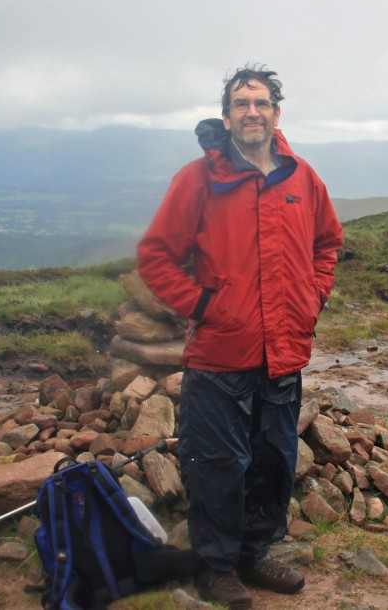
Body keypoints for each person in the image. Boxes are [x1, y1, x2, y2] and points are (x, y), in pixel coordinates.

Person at [136, 64, 343, 608]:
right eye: (240, 103)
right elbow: (156, 256)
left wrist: (312, 297)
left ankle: (254, 554)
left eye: (261, 102)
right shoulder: (198, 178)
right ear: (226, 115)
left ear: (277, 112)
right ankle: (216, 568)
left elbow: (328, 243)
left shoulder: (301, 177)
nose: (252, 111)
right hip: (220, 355)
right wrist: (204, 304)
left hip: (284, 353)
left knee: (274, 460)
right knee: (219, 466)